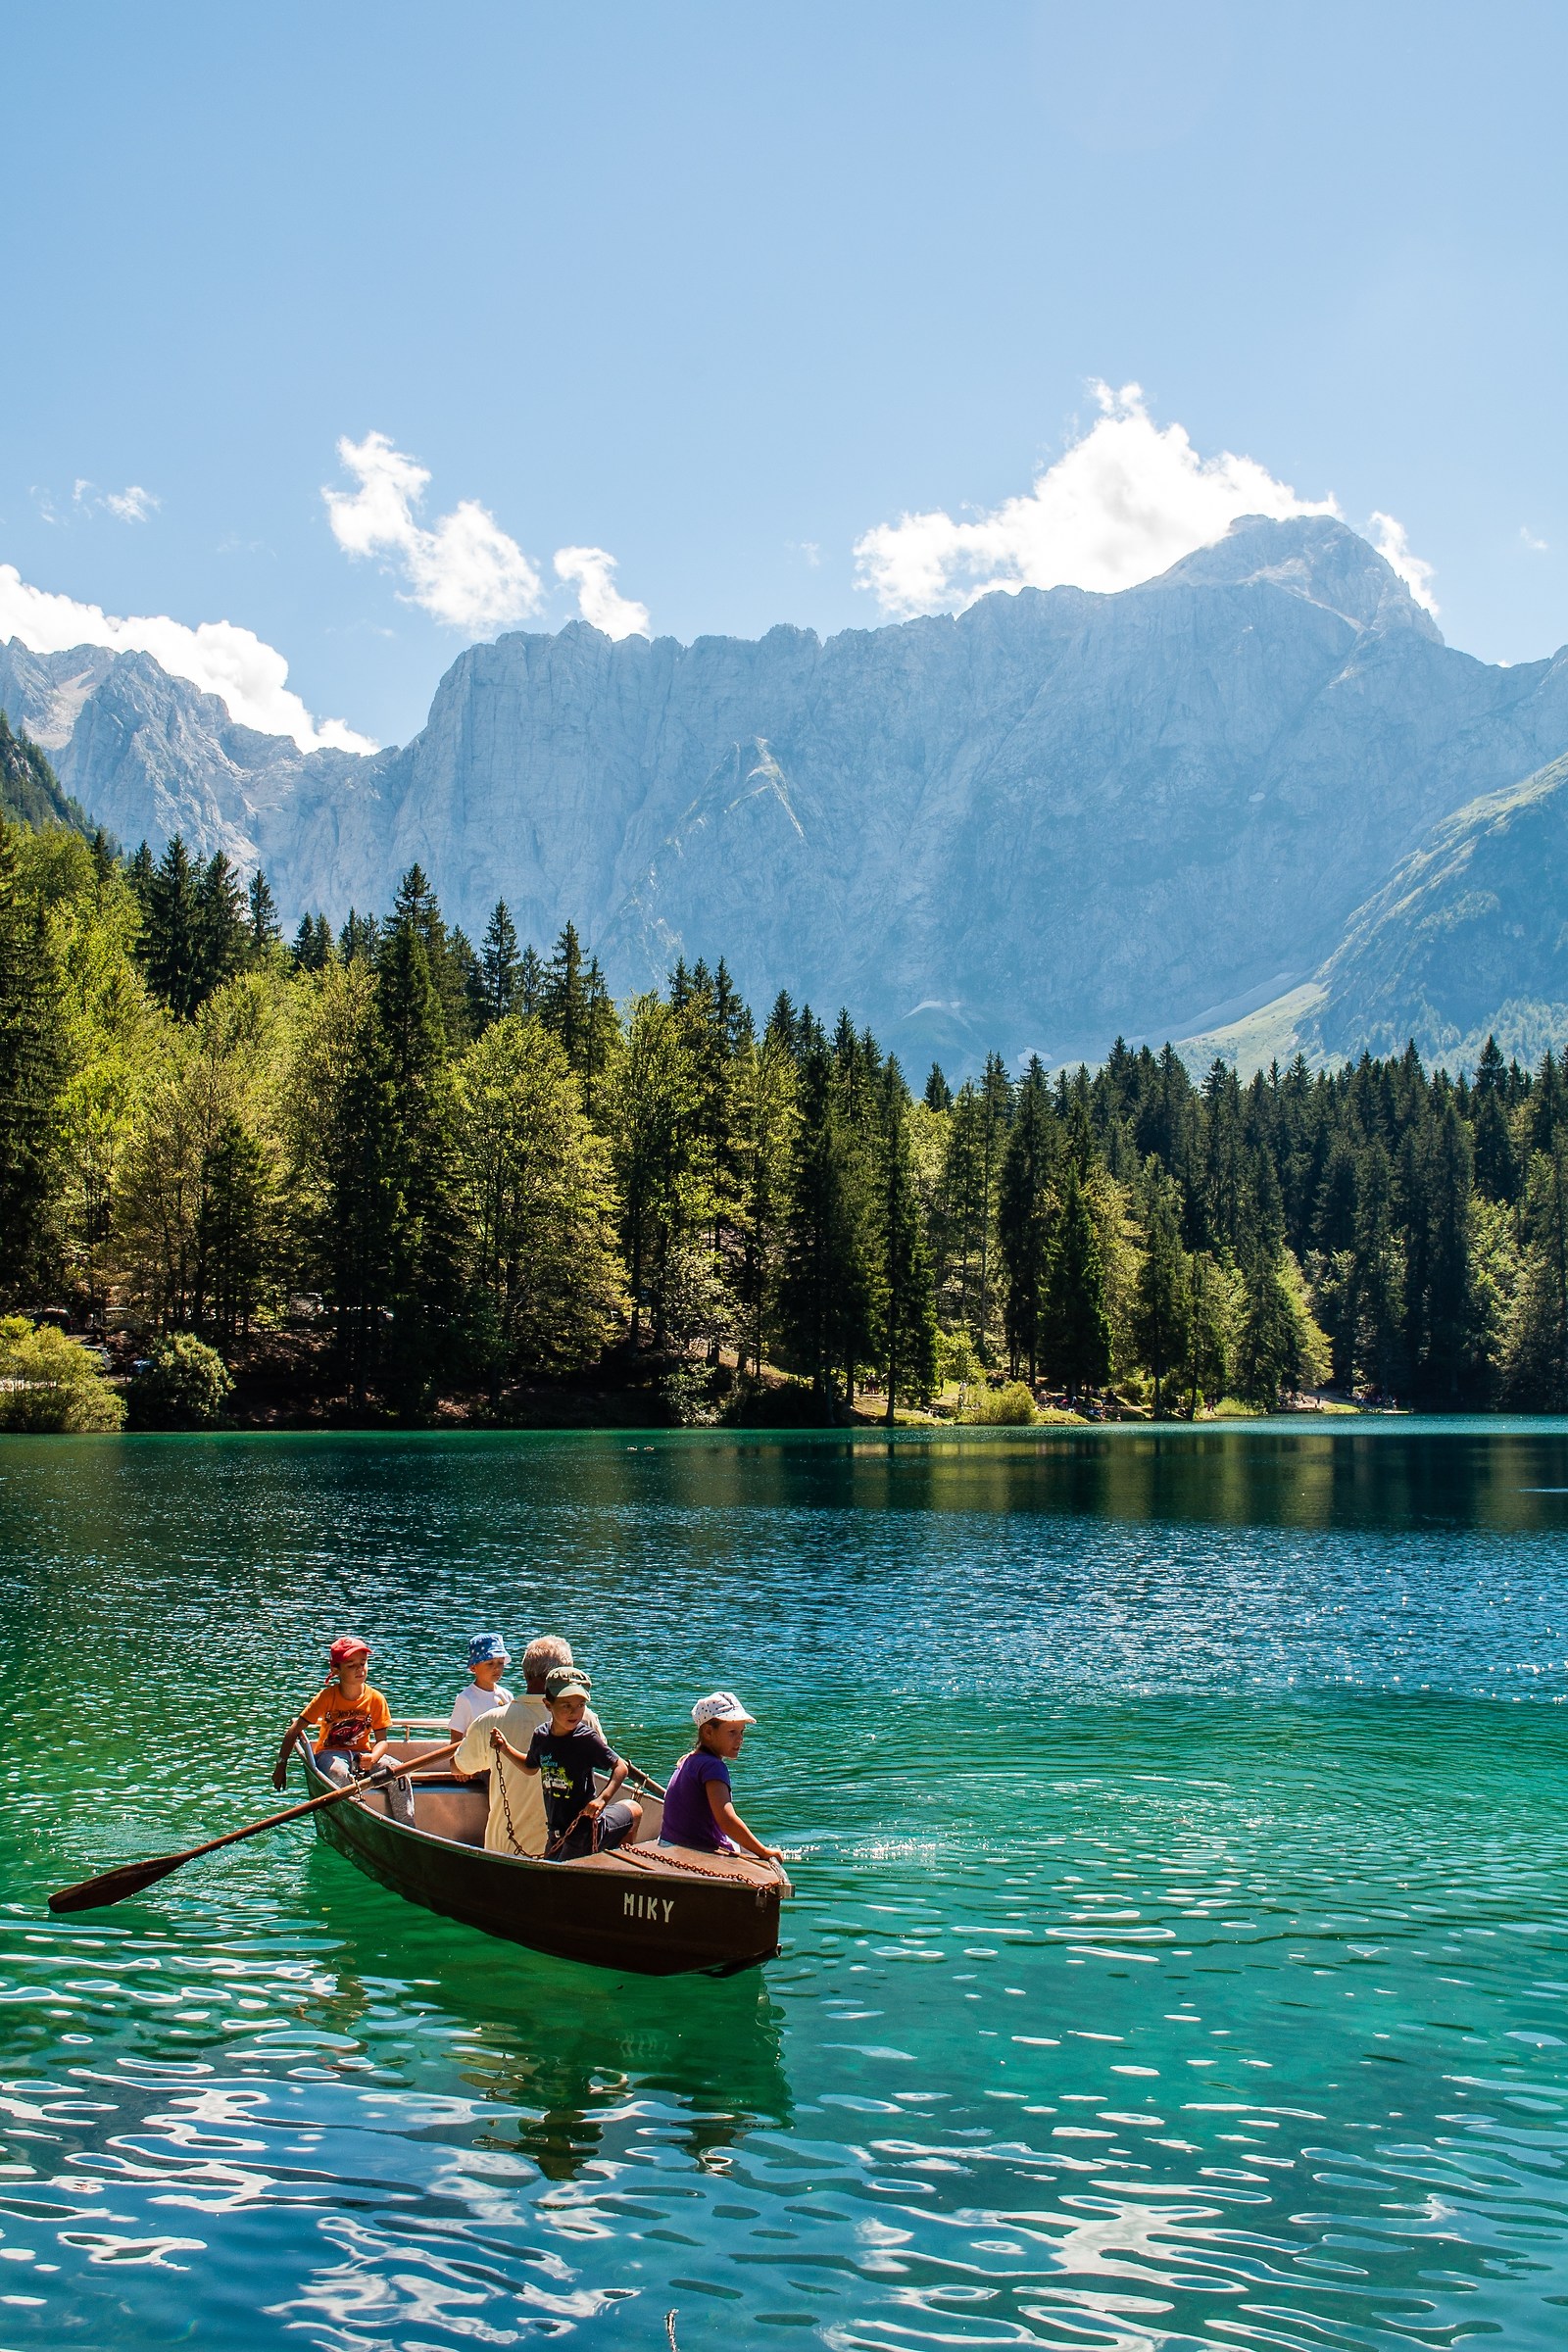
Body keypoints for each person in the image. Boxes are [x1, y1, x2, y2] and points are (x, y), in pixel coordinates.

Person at [452, 1634, 601, 1855]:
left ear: (525, 1673)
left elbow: (458, 1767)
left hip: (505, 1851)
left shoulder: (489, 1721)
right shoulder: (584, 1717)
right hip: (567, 1851)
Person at [491, 1665, 641, 1860]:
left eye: (580, 1705)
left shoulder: (586, 1738)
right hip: (555, 1832)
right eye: (566, 1705)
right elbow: (530, 1766)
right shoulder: (541, 1735)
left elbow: (621, 1766)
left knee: (634, 1809)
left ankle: (621, 1861)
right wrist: (505, 1748)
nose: (574, 1713)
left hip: (584, 1829)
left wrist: (602, 1799)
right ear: (547, 1704)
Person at [270, 1635, 414, 1823]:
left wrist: (374, 1758)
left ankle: (407, 1826)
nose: (359, 1669)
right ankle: (355, 1822)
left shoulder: (376, 1698)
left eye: (363, 1662)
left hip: (362, 1754)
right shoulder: (326, 1697)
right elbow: (294, 1730)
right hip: (329, 1754)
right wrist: (281, 1766)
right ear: (335, 1669)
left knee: (399, 1771)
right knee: (338, 1772)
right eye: (351, 1665)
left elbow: (382, 1741)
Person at [661, 1690, 782, 1864]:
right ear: (708, 1732)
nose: (740, 1739)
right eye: (732, 1732)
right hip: (699, 1852)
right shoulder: (713, 1766)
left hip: (670, 1844)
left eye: (742, 1732)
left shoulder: (689, 1760)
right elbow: (726, 1820)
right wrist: (763, 1852)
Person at [449, 1633, 514, 1740]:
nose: (497, 1668)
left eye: (500, 1663)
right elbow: (456, 1739)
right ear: (473, 1667)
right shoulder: (465, 1699)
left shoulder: (507, 1696)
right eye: (490, 1663)